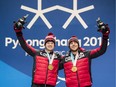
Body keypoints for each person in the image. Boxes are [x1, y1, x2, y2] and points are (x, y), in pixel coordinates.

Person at [13, 19, 62, 87]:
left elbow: (72, 60)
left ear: (54, 45)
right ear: (45, 44)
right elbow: (24, 45)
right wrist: (18, 32)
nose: (50, 44)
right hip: (36, 85)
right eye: (48, 43)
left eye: (52, 43)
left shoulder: (58, 56)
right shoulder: (37, 53)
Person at [60, 21, 110, 87]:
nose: (73, 44)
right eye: (71, 43)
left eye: (75, 42)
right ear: (69, 46)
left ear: (78, 45)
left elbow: (101, 50)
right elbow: (51, 68)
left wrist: (105, 36)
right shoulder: (65, 58)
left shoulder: (86, 54)